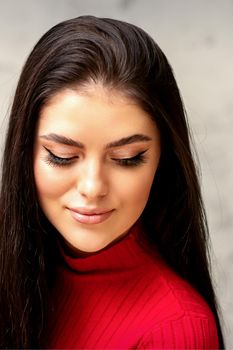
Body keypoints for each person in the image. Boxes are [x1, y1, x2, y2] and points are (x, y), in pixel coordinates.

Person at [0, 15, 224, 349]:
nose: (92, 187)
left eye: (127, 158)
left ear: (164, 160)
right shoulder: (14, 268)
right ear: (24, 152)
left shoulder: (177, 329)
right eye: (62, 156)